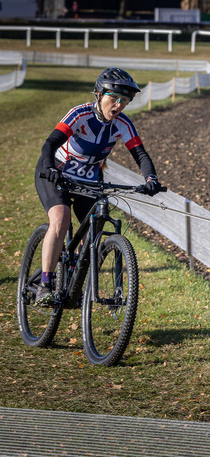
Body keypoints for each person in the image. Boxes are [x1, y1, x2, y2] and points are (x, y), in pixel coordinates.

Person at [33, 67, 161, 304]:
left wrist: (150, 179)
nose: (119, 105)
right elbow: (50, 144)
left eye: (125, 100)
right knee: (60, 219)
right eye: (114, 98)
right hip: (56, 174)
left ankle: (75, 282)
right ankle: (45, 284)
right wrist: (50, 168)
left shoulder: (123, 123)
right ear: (99, 94)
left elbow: (140, 154)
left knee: (94, 232)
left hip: (89, 180)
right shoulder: (79, 114)